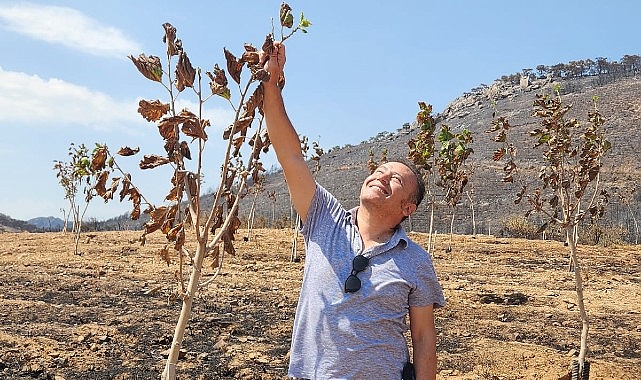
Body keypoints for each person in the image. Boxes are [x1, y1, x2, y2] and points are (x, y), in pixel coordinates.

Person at [262, 41, 446, 380]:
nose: (381, 176)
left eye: (395, 179)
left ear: (408, 207)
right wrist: (271, 82)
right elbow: (290, 156)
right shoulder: (324, 218)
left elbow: (423, 338)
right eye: (379, 171)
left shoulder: (416, 261)